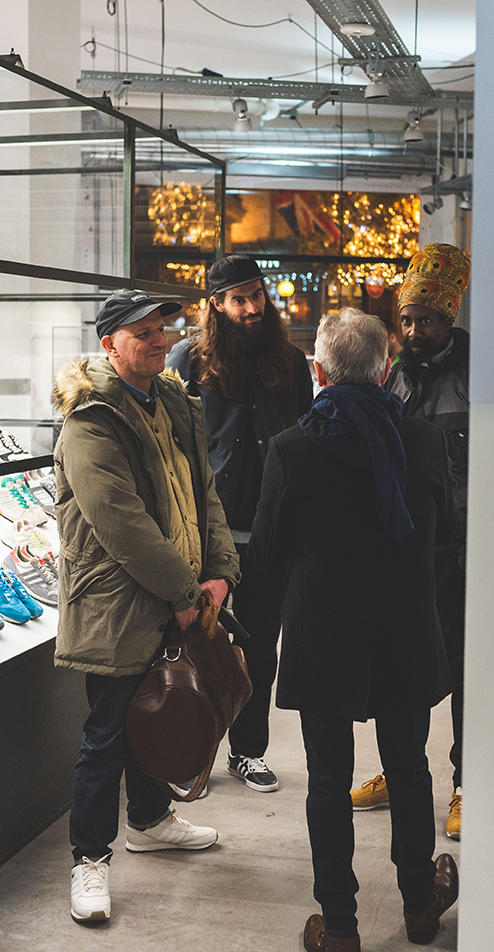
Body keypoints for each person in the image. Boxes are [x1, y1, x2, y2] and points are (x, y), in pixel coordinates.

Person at [249, 308, 460, 952]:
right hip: (405, 633)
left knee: (328, 781)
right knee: (411, 768)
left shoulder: (292, 448)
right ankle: (420, 908)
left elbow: (267, 556)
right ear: (387, 368)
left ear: (317, 371)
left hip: (324, 640)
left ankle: (339, 928)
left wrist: (258, 630)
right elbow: (448, 542)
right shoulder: (421, 440)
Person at [52, 289, 240, 923]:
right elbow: (121, 522)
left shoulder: (176, 403)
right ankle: (88, 860)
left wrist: (219, 573)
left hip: (178, 595)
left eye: (163, 328)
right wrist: (187, 593)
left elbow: (204, 493)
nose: (160, 340)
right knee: (106, 735)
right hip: (116, 602)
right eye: (143, 333)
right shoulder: (90, 419)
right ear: (109, 344)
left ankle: (151, 819)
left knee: (156, 710)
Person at [166, 255, 313, 793]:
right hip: (205, 534)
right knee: (193, 645)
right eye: (239, 300)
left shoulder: (291, 363)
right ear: (216, 306)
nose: (252, 308)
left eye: (257, 295)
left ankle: (248, 752)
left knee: (260, 648)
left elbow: (306, 439)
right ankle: (192, 750)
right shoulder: (186, 361)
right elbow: (172, 448)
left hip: (270, 530)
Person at [350, 243, 470, 841]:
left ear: (450, 315)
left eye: (426, 319)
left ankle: (465, 784)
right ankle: (401, 772)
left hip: (462, 555)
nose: (414, 329)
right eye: (408, 318)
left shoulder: (477, 374)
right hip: (405, 553)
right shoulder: (396, 372)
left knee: (467, 673)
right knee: (405, 669)